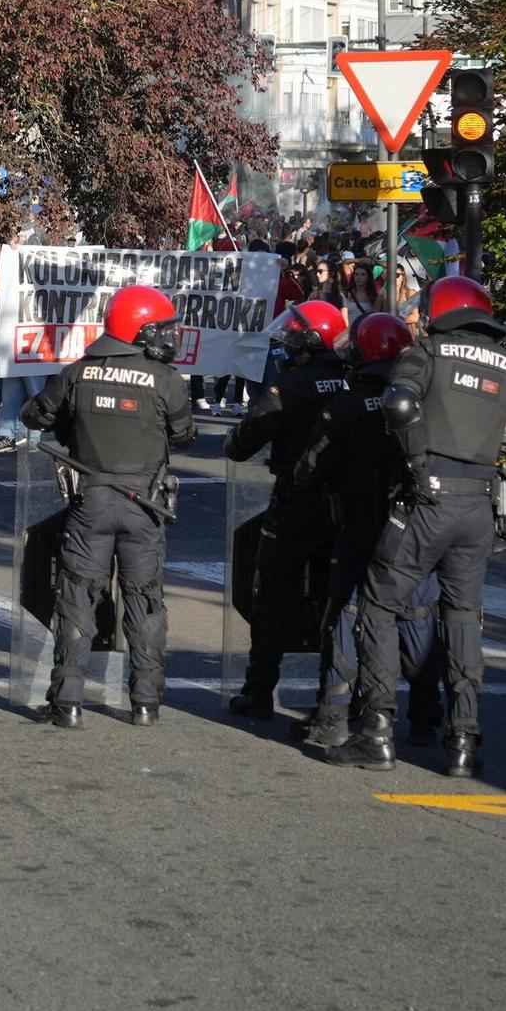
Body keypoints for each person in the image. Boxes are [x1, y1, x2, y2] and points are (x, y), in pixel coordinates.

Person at [327, 277, 506, 777]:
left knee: (378, 603)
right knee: (462, 615)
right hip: (478, 507)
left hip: (425, 502)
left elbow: (399, 404)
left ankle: (376, 732)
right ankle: (462, 741)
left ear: (441, 310)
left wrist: (417, 468)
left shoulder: (429, 352)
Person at [19, 286, 196, 728]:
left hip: (91, 500)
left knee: (76, 598)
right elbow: (185, 435)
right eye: (159, 329)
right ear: (137, 329)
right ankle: (145, 703)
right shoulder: (165, 378)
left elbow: (35, 416)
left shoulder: (79, 372)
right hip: (145, 503)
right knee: (145, 601)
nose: (167, 337)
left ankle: (68, 703)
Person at [287, 313, 445, 749]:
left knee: (346, 617)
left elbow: (309, 470)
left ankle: (334, 716)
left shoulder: (346, 406)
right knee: (417, 616)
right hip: (415, 527)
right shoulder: (423, 403)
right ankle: (427, 717)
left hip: (359, 527)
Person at [223, 301, 351, 721]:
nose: (289, 339)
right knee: (335, 602)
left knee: (272, 596)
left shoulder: (291, 386)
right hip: (345, 507)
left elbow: (241, 444)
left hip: (296, 503)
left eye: (297, 333)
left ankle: (259, 691)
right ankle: (333, 701)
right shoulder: (352, 381)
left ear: (314, 339)